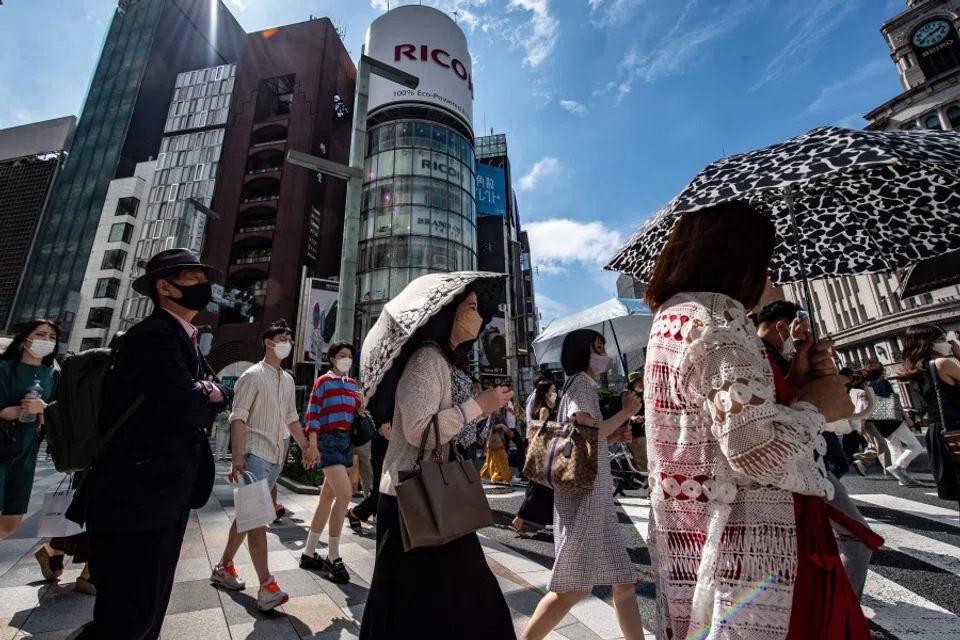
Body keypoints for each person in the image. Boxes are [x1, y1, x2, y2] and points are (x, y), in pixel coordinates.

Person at [642, 201, 872, 639]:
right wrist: (817, 408)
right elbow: (754, 451)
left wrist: (796, 383)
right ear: (738, 259)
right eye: (765, 263)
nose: (769, 278)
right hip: (762, 543)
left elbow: (724, 427)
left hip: (711, 535)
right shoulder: (717, 319)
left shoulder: (673, 317)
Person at [72, 248, 232, 640]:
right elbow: (192, 405)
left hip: (163, 495)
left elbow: (218, 394)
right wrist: (209, 394)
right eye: (194, 279)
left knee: (149, 610)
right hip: (133, 498)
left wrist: (210, 393)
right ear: (165, 286)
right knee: (127, 617)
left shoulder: (185, 339)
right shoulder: (152, 337)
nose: (204, 287)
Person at [359, 287, 516, 639]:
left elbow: (448, 425)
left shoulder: (446, 361)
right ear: (452, 314)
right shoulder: (426, 360)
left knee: (439, 604)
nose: (479, 316)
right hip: (411, 500)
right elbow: (419, 429)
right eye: (471, 307)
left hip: (433, 496)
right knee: (422, 605)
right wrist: (479, 407)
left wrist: (480, 406)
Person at [521, 329, 643, 640]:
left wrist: (614, 434)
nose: (603, 353)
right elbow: (592, 430)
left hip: (596, 498)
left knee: (623, 580)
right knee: (572, 588)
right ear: (581, 353)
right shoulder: (580, 386)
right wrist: (626, 413)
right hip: (586, 501)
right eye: (597, 347)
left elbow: (588, 437)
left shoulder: (581, 385)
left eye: (603, 346)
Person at [756, 301, 878, 601]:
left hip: (806, 462)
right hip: (797, 466)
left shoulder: (769, 354)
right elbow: (788, 403)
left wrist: (806, 355)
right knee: (856, 539)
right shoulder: (761, 356)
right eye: (801, 329)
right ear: (783, 326)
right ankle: (842, 610)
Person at [210, 320, 315, 611]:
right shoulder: (252, 375)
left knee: (248, 515)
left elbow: (292, 418)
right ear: (268, 342)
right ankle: (267, 585)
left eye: (289, 340)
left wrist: (305, 445)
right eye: (282, 338)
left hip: (276, 456)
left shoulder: (288, 379)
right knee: (256, 518)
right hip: (254, 454)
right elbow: (238, 417)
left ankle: (223, 567)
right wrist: (238, 455)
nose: (287, 343)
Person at [300, 342, 363, 584]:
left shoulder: (353, 385)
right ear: (332, 359)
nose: (347, 359)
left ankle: (308, 552)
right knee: (345, 494)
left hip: (345, 441)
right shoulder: (323, 382)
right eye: (342, 356)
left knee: (327, 497)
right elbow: (313, 413)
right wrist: (313, 444)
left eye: (349, 356)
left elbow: (356, 415)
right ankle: (334, 555)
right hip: (326, 440)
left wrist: (362, 403)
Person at [0, 319, 60, 541]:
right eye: (41, 335)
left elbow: (56, 417)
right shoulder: (4, 368)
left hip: (26, 451)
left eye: (52, 338)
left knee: (10, 523)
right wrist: (21, 409)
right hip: (2, 445)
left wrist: (43, 410)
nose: (46, 341)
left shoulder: (53, 374)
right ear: (25, 339)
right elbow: (3, 411)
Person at [900, 324, 960, 514]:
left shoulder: (916, 369)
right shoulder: (943, 363)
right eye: (942, 339)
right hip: (956, 423)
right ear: (930, 343)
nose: (948, 343)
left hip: (939, 430)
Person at [510, 379, 557, 537]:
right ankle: (519, 520)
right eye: (551, 391)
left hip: (545, 453)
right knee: (537, 489)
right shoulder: (544, 410)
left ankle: (523, 520)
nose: (554, 394)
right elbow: (539, 435)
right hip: (543, 454)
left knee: (542, 489)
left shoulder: (548, 407)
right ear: (544, 393)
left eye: (554, 390)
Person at [347, 422, 390, 533]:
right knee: (380, 489)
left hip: (387, 448)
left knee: (381, 489)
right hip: (382, 447)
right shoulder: (385, 406)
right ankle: (357, 512)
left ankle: (363, 512)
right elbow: (386, 432)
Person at [855, 361, 896, 477]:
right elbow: (891, 400)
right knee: (883, 445)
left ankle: (862, 462)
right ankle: (889, 472)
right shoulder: (881, 383)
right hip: (875, 419)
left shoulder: (869, 386)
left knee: (876, 445)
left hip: (870, 420)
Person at [621, 371, 647, 475]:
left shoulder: (642, 395)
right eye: (639, 381)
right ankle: (649, 486)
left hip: (644, 431)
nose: (642, 383)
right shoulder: (627, 395)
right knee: (642, 462)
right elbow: (626, 412)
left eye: (643, 380)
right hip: (634, 433)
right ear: (633, 383)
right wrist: (634, 417)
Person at [480, 405, 514, 484]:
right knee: (502, 459)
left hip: (496, 439)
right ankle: (507, 478)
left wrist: (507, 430)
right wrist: (502, 426)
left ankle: (486, 475)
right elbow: (491, 427)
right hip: (495, 439)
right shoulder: (494, 412)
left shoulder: (500, 410)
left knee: (490, 459)